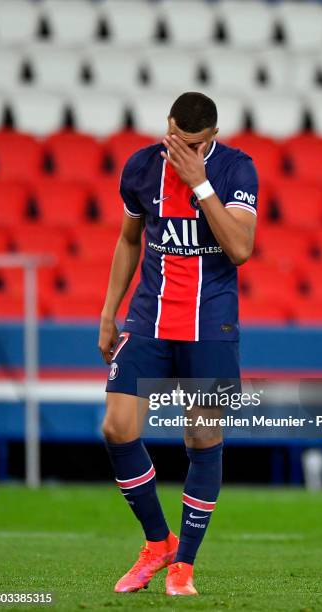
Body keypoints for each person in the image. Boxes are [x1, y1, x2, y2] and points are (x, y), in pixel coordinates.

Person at [98, 91, 258, 596]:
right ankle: (157, 542)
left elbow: (239, 249)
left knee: (202, 439)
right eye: (175, 138)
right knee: (116, 428)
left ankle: (184, 564)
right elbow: (128, 240)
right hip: (148, 320)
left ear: (212, 137)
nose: (180, 149)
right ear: (167, 125)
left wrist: (200, 184)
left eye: (192, 143)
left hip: (209, 325)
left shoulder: (237, 170)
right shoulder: (141, 168)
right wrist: (109, 311)